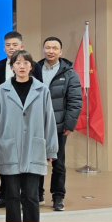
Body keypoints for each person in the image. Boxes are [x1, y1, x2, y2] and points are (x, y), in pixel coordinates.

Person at [0, 50, 58, 222]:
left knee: (31, 195)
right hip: (9, 148)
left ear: (31, 66)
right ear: (12, 66)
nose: (22, 66)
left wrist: (50, 150)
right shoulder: (2, 90)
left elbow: (49, 120)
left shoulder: (42, 90)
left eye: (26, 62)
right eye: (18, 63)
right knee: (12, 195)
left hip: (35, 147)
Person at [0, 31, 43, 209]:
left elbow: (38, 94)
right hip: (8, 122)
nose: (11, 48)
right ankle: (5, 196)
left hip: (30, 122)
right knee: (8, 167)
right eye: (8, 45)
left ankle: (35, 196)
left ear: (22, 46)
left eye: (15, 45)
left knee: (32, 169)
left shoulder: (35, 69)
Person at [37, 37, 82, 212]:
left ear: (60, 52)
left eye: (55, 48)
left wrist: (69, 125)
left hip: (58, 126)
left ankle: (58, 196)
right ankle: (37, 194)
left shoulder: (70, 73)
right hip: (37, 125)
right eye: (47, 47)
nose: (51, 51)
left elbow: (75, 101)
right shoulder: (35, 69)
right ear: (43, 49)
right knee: (37, 162)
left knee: (59, 164)